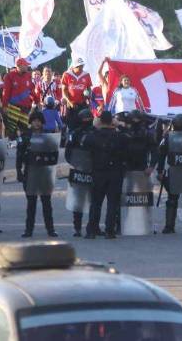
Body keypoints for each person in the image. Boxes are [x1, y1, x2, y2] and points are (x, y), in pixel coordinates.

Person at [85, 111, 127, 239]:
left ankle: (92, 230)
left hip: (98, 171)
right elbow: (127, 144)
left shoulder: (93, 135)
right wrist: (119, 125)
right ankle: (110, 230)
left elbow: (85, 145)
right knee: (112, 203)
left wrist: (94, 126)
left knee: (96, 202)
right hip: (115, 171)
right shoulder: (120, 136)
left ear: (100, 121)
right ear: (112, 121)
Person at [16, 111, 58, 238]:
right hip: (30, 172)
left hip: (45, 172)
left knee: (47, 203)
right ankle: (29, 230)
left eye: (39, 120)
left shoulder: (47, 137)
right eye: (34, 120)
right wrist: (19, 172)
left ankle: (50, 230)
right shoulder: (25, 137)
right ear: (30, 122)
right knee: (31, 204)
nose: (36, 123)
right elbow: (19, 156)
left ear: (42, 122)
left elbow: (54, 155)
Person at [157, 114, 182, 234]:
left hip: (175, 171)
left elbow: (161, 154)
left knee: (172, 199)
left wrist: (160, 171)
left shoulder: (168, 137)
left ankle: (169, 226)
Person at [65, 109, 96, 237]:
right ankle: (81, 227)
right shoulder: (77, 134)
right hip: (83, 169)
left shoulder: (78, 133)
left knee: (88, 200)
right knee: (82, 200)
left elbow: (68, 153)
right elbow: (68, 152)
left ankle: (86, 227)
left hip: (86, 169)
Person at [1, 58, 33, 140]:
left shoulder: (28, 75)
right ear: (19, 65)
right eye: (25, 65)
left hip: (25, 107)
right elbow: (6, 92)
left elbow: (31, 89)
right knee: (12, 128)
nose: (27, 67)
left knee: (24, 127)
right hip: (13, 106)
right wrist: (4, 106)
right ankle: (12, 142)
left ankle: (24, 144)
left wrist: (36, 100)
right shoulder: (9, 76)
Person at [62, 57, 93, 131]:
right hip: (71, 105)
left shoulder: (86, 74)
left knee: (83, 124)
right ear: (74, 66)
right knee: (72, 125)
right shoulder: (67, 74)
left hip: (82, 104)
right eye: (79, 66)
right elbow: (64, 90)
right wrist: (69, 102)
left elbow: (89, 88)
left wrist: (88, 95)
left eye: (82, 65)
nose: (81, 67)